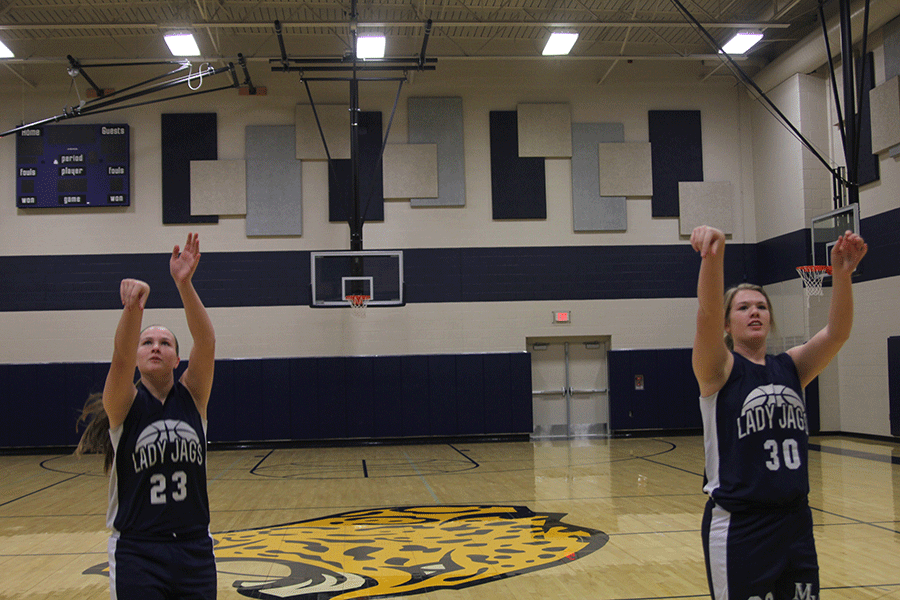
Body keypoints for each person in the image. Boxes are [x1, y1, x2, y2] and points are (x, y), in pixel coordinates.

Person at [690, 224, 867, 600]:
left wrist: (843, 276)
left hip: (795, 521)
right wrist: (713, 256)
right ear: (727, 323)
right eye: (743, 307)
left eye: (761, 306)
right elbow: (706, 313)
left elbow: (837, 333)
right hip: (741, 525)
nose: (755, 312)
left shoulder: (791, 366)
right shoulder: (718, 371)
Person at [76, 232, 217, 600]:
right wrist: (132, 310)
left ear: (176, 359)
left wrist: (184, 284)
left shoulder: (193, 396)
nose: (155, 347)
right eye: (147, 342)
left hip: (194, 547)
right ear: (139, 355)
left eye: (165, 343)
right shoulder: (123, 404)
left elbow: (206, 342)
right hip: (138, 550)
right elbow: (120, 358)